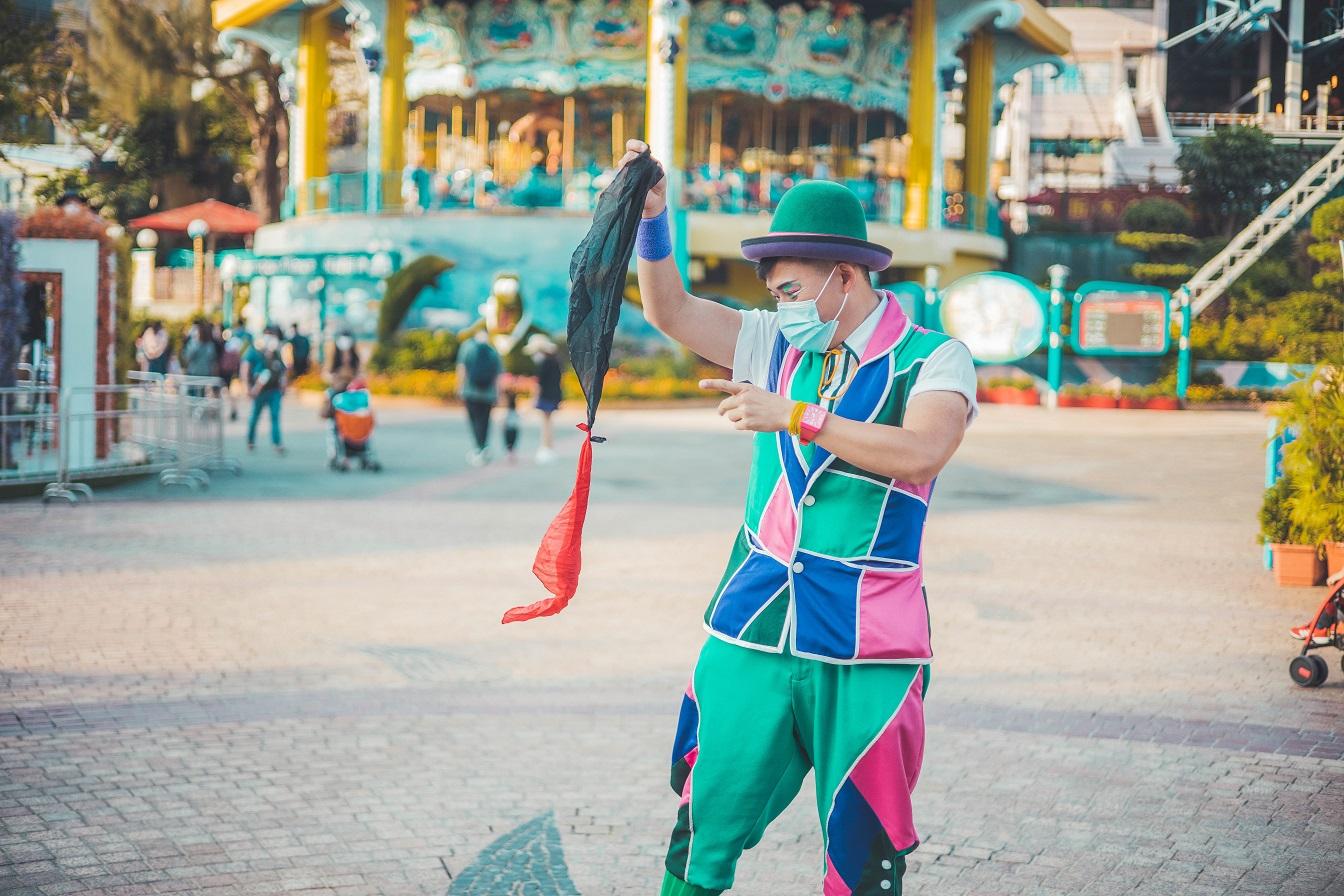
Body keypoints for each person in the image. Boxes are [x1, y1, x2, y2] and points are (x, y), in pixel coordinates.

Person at [616, 139, 978, 896]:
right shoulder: (772, 341)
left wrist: (797, 415)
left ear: (845, 276)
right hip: (755, 624)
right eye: (776, 294)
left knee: (861, 853)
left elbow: (922, 453)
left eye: (791, 290)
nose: (783, 308)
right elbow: (670, 310)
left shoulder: (935, 358)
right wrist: (652, 220)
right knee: (703, 824)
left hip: (871, 642)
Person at [456, 330, 502, 466]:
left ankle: (478, 448)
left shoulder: (467, 347)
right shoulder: (493, 351)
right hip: (489, 394)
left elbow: (462, 368)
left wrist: (459, 388)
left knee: (474, 420)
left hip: (470, 392)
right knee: (485, 421)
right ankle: (484, 447)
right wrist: (498, 394)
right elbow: (498, 375)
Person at [242, 326, 287, 454]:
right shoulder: (254, 351)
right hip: (259, 391)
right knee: (255, 416)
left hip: (274, 390)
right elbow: (245, 368)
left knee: (275, 416)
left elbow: (282, 370)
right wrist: (247, 387)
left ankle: (277, 442)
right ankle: (250, 440)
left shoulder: (276, 352)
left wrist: (284, 385)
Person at [324, 332, 362, 467]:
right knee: (335, 427)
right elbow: (327, 374)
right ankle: (336, 454)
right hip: (338, 394)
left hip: (352, 395)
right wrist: (338, 379)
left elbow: (361, 373)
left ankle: (357, 452)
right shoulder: (334, 357)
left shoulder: (355, 357)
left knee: (356, 424)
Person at [526, 333, 562, 464]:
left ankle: (545, 447)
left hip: (546, 396)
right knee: (549, 422)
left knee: (545, 423)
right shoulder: (555, 360)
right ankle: (549, 447)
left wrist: (535, 398)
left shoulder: (545, 363)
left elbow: (539, 383)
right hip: (554, 395)